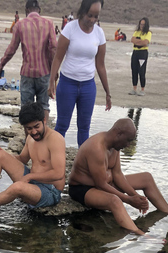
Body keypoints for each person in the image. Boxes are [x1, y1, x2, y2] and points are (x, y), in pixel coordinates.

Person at [68, 118, 168, 235]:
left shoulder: (115, 146)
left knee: (146, 178)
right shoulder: (96, 148)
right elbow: (101, 184)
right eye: (128, 141)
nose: (128, 145)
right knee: (115, 200)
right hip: (83, 189)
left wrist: (136, 197)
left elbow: (118, 174)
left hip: (106, 184)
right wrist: (129, 200)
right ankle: (140, 234)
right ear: (118, 134)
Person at [0, 102, 66, 214]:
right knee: (0, 155)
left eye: (36, 127)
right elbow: (22, 158)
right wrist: (4, 155)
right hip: (32, 182)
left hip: (50, 191)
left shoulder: (55, 139)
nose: (33, 132)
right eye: (29, 128)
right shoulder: (31, 137)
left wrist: (30, 176)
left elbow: (59, 174)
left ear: (44, 120)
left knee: (17, 187)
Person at [48, 0, 112, 147]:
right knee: (62, 126)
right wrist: (51, 81)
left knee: (84, 128)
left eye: (96, 16)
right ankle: (54, 162)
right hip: (67, 84)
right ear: (83, 12)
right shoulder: (70, 29)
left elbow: (100, 65)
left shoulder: (99, 33)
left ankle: (83, 165)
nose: (92, 20)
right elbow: (58, 57)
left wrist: (108, 93)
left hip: (88, 86)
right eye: (90, 15)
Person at [0, 0, 57, 122]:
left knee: (26, 109)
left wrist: (1, 65)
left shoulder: (20, 25)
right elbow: (53, 48)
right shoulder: (48, 23)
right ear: (39, 10)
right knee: (44, 106)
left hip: (27, 73)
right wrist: (54, 70)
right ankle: (43, 138)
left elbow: (11, 49)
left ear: (27, 10)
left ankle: (28, 140)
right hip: (44, 73)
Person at [129, 17, 152, 96]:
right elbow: (132, 40)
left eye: (143, 24)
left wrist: (138, 42)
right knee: (134, 70)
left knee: (141, 71)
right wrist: (140, 42)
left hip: (143, 53)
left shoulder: (148, 33)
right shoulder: (136, 32)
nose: (141, 26)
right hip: (135, 52)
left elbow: (145, 42)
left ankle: (142, 89)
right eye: (141, 24)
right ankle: (134, 88)